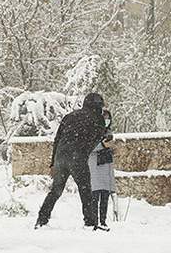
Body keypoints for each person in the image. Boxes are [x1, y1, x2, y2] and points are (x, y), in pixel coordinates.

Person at [35, 92, 110, 229]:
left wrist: (53, 163)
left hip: (60, 157)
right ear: (98, 106)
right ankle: (90, 222)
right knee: (85, 190)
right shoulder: (97, 119)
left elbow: (57, 139)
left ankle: (42, 219)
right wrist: (104, 132)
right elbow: (99, 139)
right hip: (77, 158)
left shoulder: (70, 116)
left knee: (56, 191)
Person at [88, 109, 115, 231]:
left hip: (106, 167)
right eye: (104, 118)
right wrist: (103, 145)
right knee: (95, 196)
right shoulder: (91, 131)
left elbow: (109, 147)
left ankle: (103, 221)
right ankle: (94, 221)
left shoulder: (109, 132)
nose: (106, 120)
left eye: (108, 118)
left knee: (105, 195)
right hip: (95, 166)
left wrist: (111, 147)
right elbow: (88, 148)